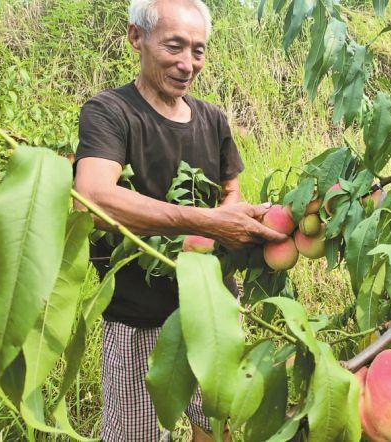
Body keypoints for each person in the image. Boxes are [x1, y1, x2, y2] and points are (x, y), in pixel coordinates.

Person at [72, 0, 285, 440]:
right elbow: (92, 198)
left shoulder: (212, 120)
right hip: (138, 322)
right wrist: (204, 222)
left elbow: (230, 195)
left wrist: (240, 218)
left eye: (199, 50)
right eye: (174, 46)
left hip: (211, 314)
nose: (188, 64)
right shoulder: (110, 112)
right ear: (137, 38)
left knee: (217, 426)